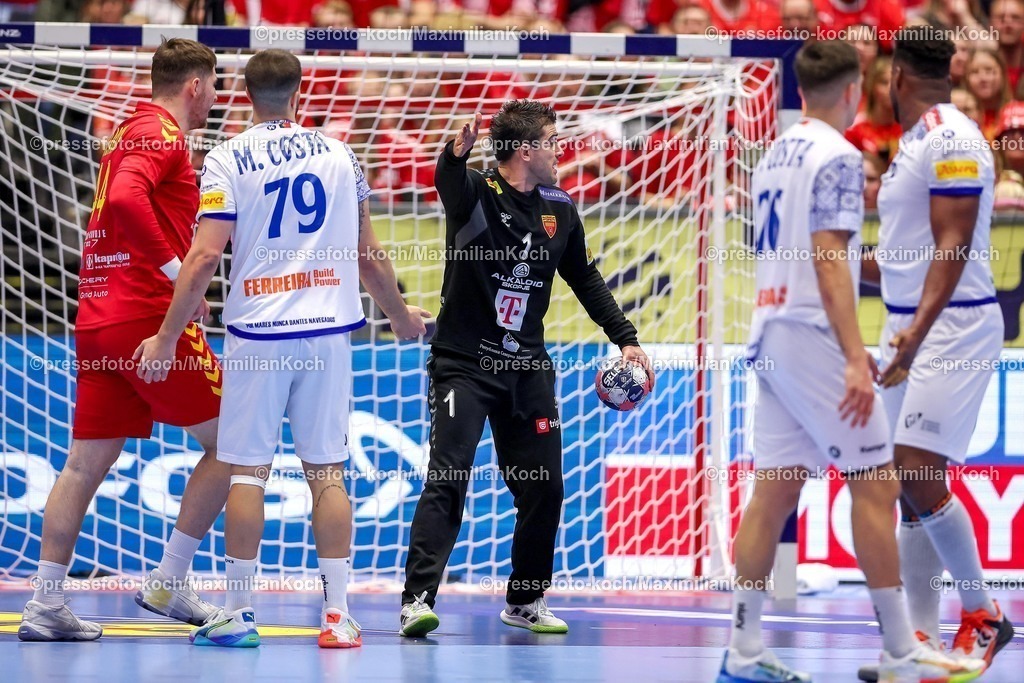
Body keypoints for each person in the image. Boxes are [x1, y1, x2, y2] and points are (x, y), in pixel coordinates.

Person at [134, 48, 429, 648]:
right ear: (301, 93)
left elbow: (205, 256)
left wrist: (167, 335)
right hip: (326, 333)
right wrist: (399, 317)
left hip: (258, 335)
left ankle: (239, 615)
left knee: (247, 474)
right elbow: (368, 256)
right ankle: (337, 617)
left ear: (245, 95)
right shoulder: (342, 154)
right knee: (328, 473)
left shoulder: (225, 157)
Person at [719, 40, 986, 683]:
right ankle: (901, 647)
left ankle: (743, 648)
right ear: (856, 87)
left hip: (768, 330)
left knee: (773, 492)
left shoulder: (773, 154)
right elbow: (831, 260)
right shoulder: (839, 156)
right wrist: (851, 357)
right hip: (812, 335)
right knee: (876, 483)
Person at [399, 100, 651, 637]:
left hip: (527, 370)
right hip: (463, 365)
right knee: (449, 475)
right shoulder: (476, 195)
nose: (561, 151)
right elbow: (448, 181)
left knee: (546, 486)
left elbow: (585, 278)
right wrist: (454, 153)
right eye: (553, 141)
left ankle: (526, 600)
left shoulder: (561, 206)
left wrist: (626, 341)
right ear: (527, 150)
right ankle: (416, 600)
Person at [18, 38, 225, 642]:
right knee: (236, 439)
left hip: (99, 314)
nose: (215, 97)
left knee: (84, 462)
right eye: (213, 86)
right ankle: (170, 577)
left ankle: (46, 603)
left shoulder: (127, 133)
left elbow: (120, 203)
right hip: (146, 317)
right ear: (194, 86)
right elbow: (129, 200)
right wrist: (175, 274)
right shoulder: (160, 133)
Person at [856, 29, 1015, 682]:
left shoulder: (950, 136)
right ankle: (915, 642)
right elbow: (901, 263)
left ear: (896, 77)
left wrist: (913, 338)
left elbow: (951, 250)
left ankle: (984, 614)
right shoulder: (914, 145)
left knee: (916, 468)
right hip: (908, 327)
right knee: (906, 486)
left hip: (949, 328)